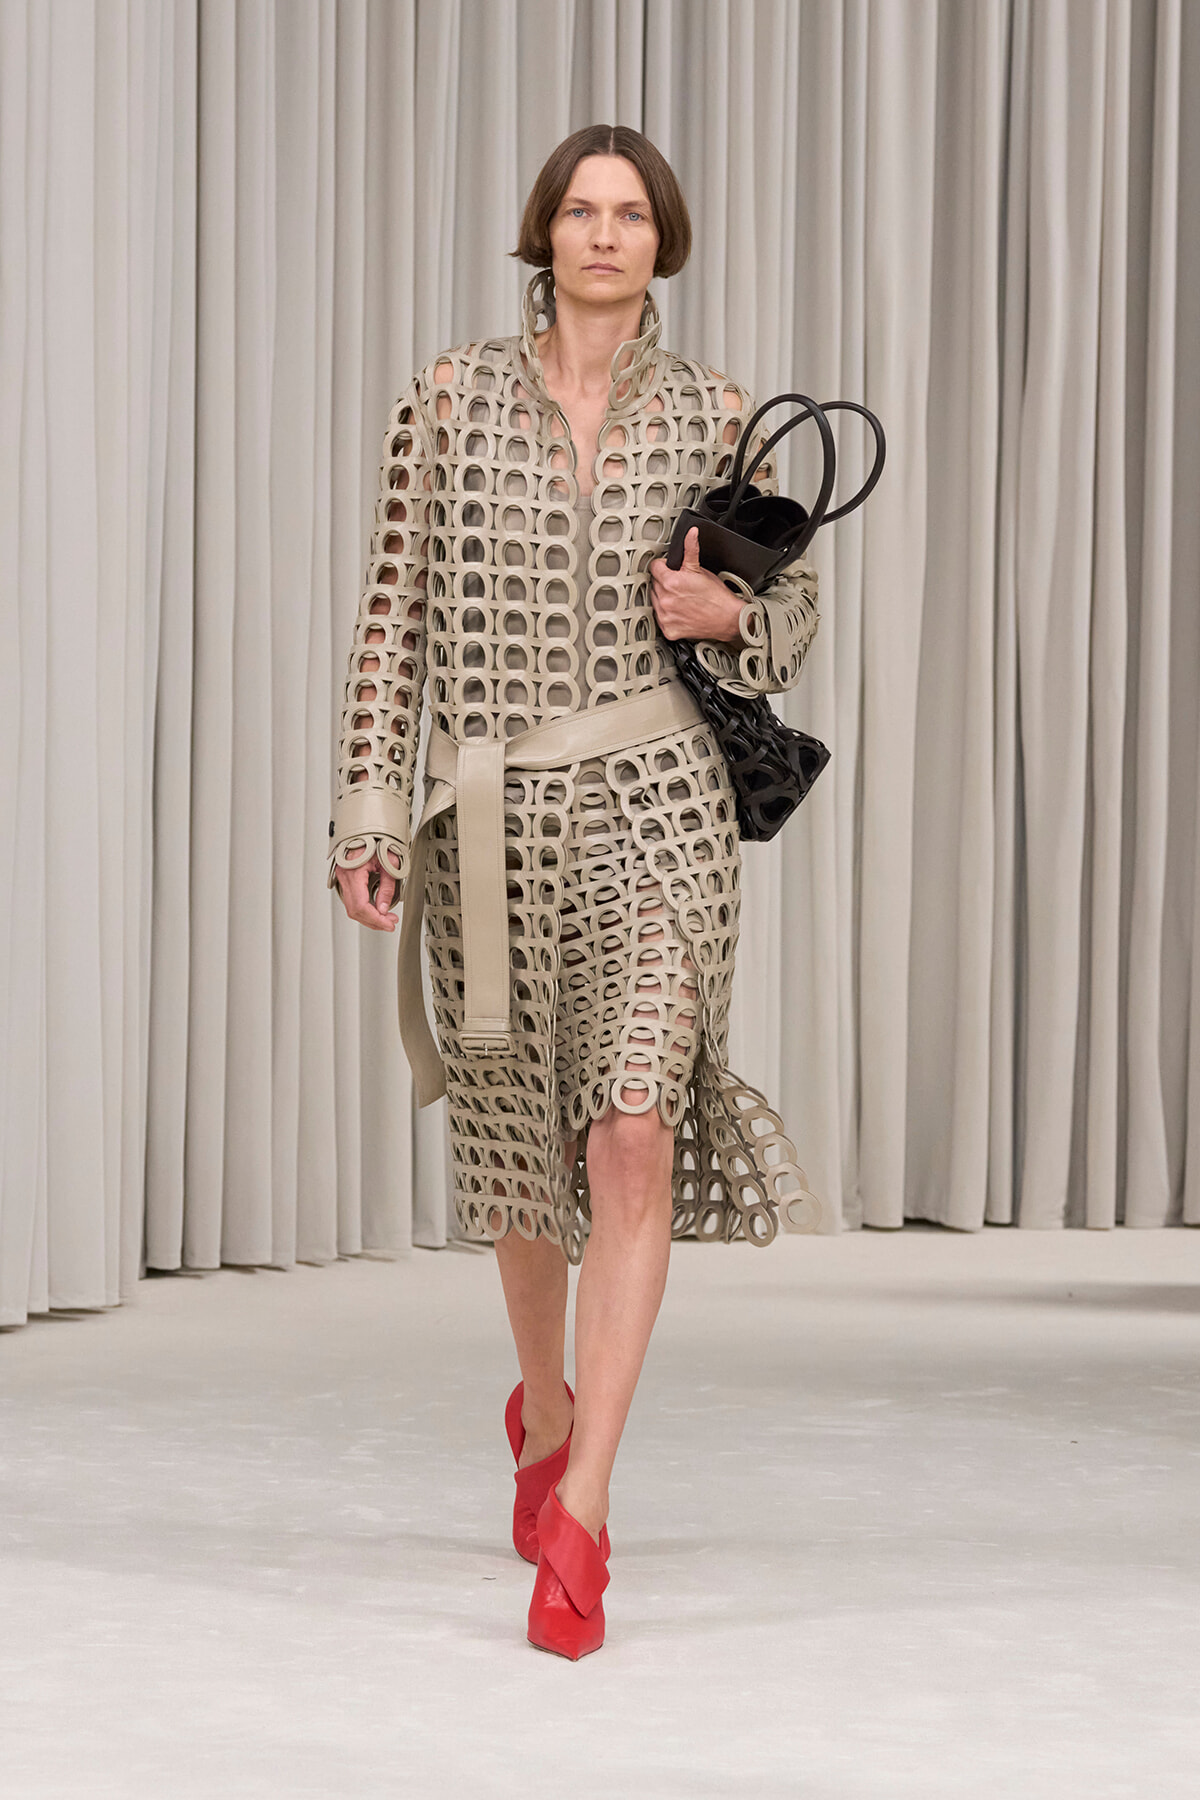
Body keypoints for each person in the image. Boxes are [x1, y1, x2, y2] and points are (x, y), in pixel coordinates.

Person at [328, 124, 820, 1660]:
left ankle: (587, 1505)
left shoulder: (717, 412)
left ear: (664, 242)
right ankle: (540, 1406)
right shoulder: (450, 399)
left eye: (632, 214)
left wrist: (728, 615)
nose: (605, 235)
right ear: (542, 235)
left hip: (660, 802)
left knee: (631, 1125)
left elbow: (791, 611)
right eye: (581, 212)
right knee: (522, 1146)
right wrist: (369, 806)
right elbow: (393, 614)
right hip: (491, 822)